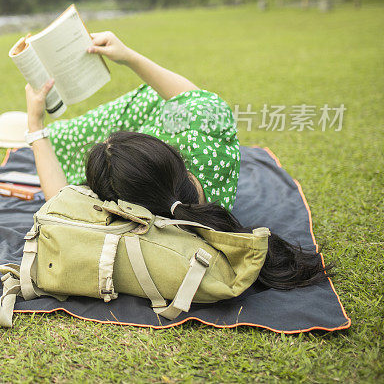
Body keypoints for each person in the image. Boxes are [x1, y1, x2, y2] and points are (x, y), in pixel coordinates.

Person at [24, 31, 330, 289]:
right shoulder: (206, 134)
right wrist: (128, 55)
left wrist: (35, 127)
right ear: (171, 153)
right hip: (153, 152)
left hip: (105, 148)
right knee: (157, 100)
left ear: (122, 206)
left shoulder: (127, 218)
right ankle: (57, 133)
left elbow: (59, 201)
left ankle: (50, 133)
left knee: (94, 128)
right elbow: (190, 96)